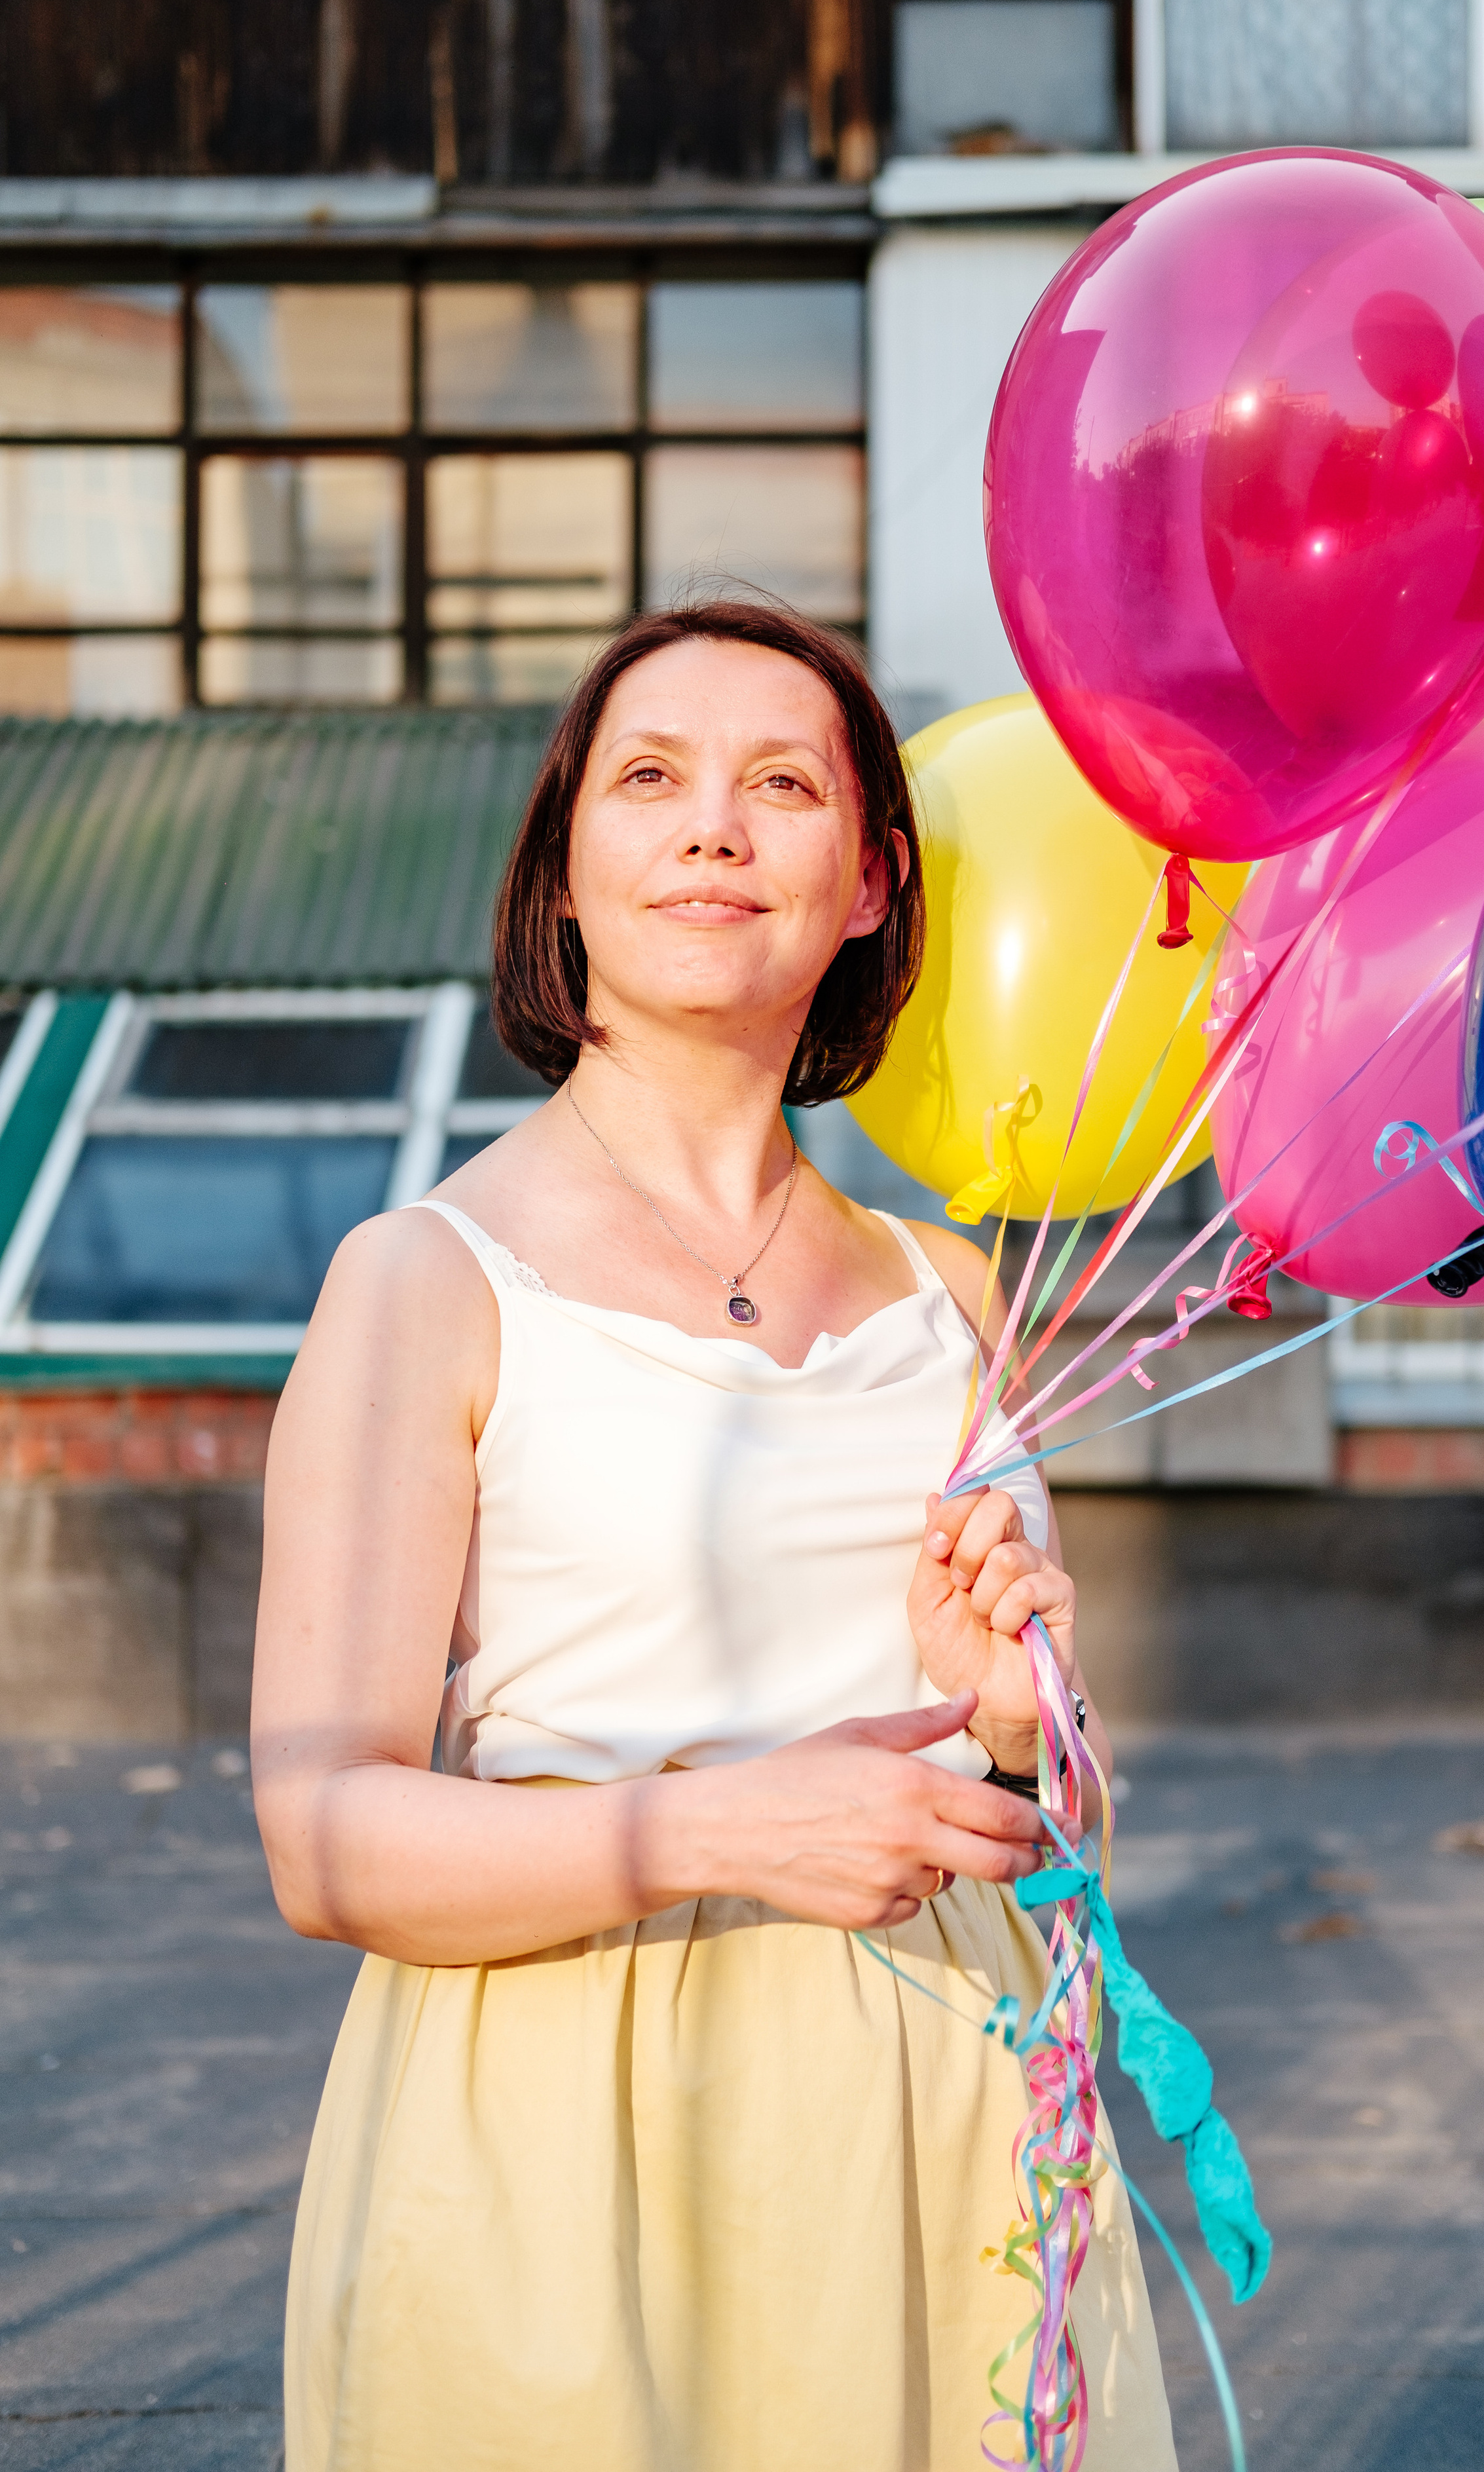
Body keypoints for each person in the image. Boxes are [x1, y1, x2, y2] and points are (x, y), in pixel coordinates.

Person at [251, 599, 1177, 2472]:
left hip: (948, 2122)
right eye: (651, 778)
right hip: (568, 2135)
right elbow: (320, 1836)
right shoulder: (423, 1281)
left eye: (782, 785)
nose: (713, 828)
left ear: (867, 884)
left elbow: (1061, 1821)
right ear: (569, 868)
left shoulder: (951, 1292)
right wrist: (717, 1823)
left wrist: (1012, 1725)